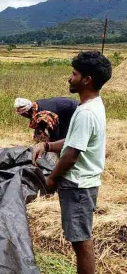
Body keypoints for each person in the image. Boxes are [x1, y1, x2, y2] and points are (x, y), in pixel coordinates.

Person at [33, 51, 111, 274]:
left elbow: (71, 155)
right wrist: (47, 146)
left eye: (74, 74)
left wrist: (51, 179)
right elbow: (71, 142)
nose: (70, 78)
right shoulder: (93, 105)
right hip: (82, 184)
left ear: (87, 79)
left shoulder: (86, 112)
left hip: (78, 186)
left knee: (81, 242)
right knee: (80, 239)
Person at [14, 97, 79, 142]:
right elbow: (37, 124)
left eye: (22, 114)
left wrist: (51, 144)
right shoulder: (34, 107)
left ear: (26, 112)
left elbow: (54, 128)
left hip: (71, 110)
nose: (23, 116)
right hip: (63, 110)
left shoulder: (44, 115)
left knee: (62, 137)